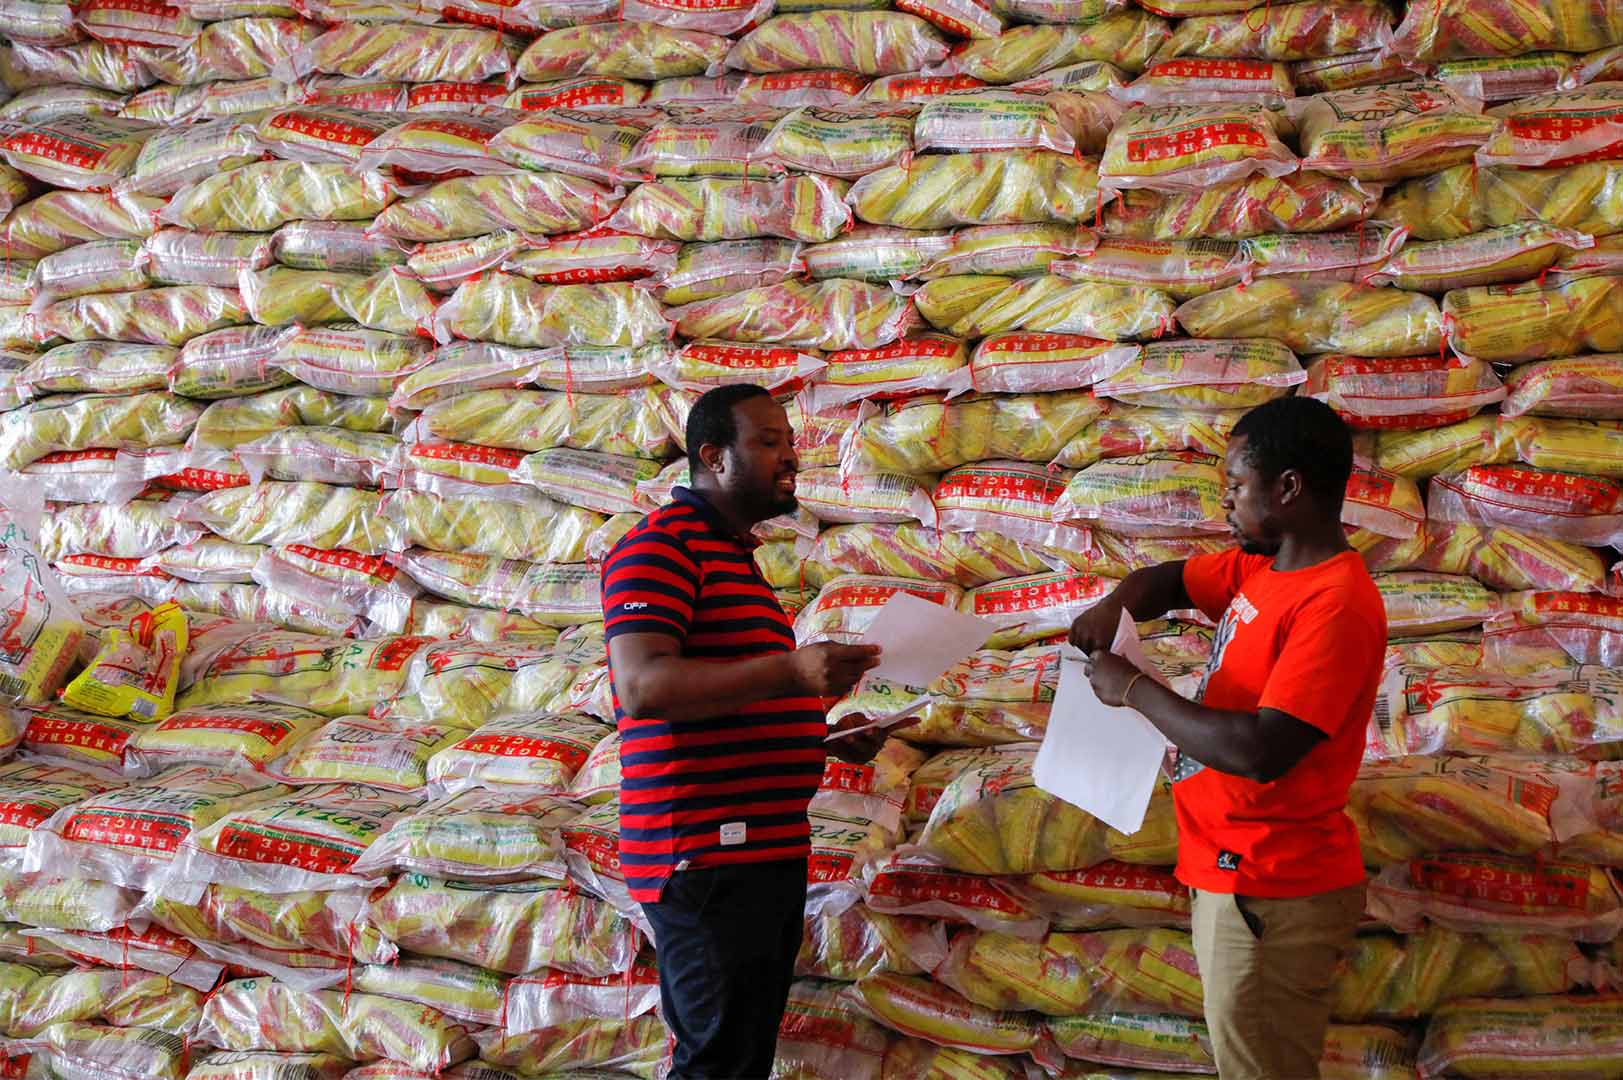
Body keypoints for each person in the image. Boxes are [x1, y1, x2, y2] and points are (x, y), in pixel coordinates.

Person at [1068, 395, 1386, 1080]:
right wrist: (1112, 604)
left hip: (1271, 887)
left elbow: (1260, 750)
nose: (1225, 505)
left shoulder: (1334, 603)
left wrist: (1132, 689)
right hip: (1235, 872)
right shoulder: (1262, 571)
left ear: (1288, 488)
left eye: (1235, 488)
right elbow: (1165, 582)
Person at [600, 383, 891, 1079]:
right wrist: (791, 675)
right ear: (713, 457)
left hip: (758, 854)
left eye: (788, 442)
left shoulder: (734, 559)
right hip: (704, 857)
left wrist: (819, 731)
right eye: (767, 442)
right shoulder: (659, 548)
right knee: (718, 1063)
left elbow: (730, 699)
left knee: (740, 1058)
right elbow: (644, 687)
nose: (789, 456)